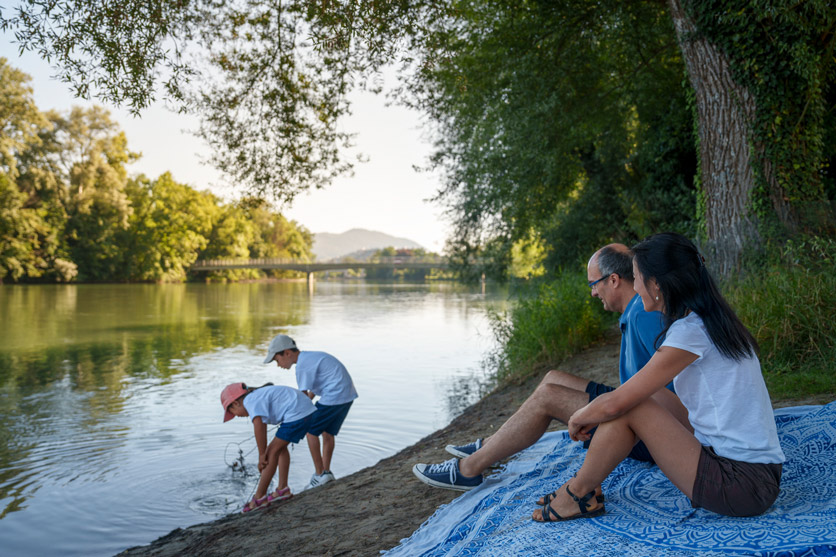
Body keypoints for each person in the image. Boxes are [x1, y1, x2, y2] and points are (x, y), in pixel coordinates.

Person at [532, 232, 784, 522]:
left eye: (637, 277)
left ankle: (577, 492)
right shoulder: (705, 318)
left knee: (632, 406)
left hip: (743, 485)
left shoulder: (689, 333)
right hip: (754, 470)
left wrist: (579, 417)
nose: (634, 285)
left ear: (656, 284)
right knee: (645, 395)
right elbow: (634, 391)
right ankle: (584, 488)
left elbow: (616, 404)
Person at [413, 243, 670, 491]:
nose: (593, 292)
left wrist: (603, 410)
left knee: (547, 398)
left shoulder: (643, 314)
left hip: (651, 430)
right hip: (638, 404)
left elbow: (671, 387)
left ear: (613, 280)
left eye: (594, 284)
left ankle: (468, 470)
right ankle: (491, 445)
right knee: (553, 378)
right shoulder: (636, 310)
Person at [264, 334, 358, 488]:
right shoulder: (309, 358)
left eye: (276, 360)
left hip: (335, 395)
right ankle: (326, 472)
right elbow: (310, 394)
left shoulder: (302, 365)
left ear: (287, 353)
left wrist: (293, 417)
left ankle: (319, 474)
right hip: (346, 395)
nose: (278, 364)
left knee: (311, 432)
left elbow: (302, 398)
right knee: (327, 433)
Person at [221, 382, 316, 513]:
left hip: (298, 414)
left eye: (232, 412)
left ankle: (260, 498)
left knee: (271, 453)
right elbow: (262, 424)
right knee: (280, 449)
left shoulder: (250, 401)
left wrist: (262, 455)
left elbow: (259, 427)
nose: (236, 416)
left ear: (236, 403)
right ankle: (283, 489)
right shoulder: (255, 397)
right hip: (305, 411)